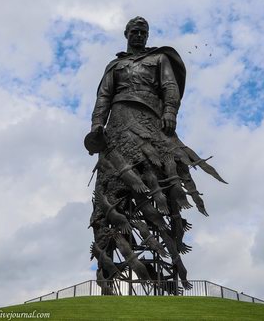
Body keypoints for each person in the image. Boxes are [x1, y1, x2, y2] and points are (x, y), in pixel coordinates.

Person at [85, 16, 226, 291]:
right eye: (134, 31)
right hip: (118, 126)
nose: (138, 35)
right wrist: (96, 127)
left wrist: (170, 111)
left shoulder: (159, 59)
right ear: (126, 33)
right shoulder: (115, 66)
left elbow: (169, 88)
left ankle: (170, 273)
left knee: (162, 180)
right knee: (112, 192)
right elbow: (103, 98)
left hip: (151, 123)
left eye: (143, 31)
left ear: (147, 35)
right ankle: (107, 282)